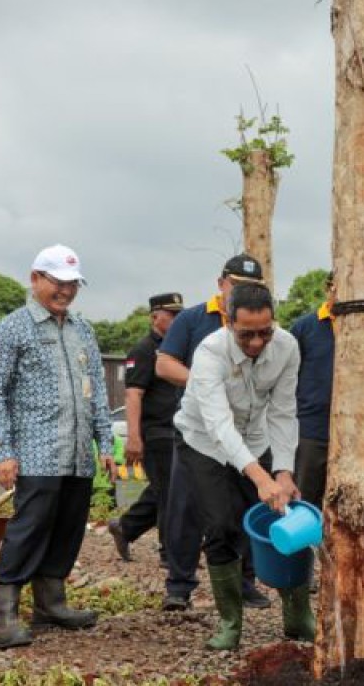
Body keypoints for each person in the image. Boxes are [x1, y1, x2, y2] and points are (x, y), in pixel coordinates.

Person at [0, 244, 115, 649]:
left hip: (78, 453)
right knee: (29, 529)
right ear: (35, 278)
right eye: (58, 282)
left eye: (73, 284)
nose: (66, 291)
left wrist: (105, 443)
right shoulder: (11, 329)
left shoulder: (83, 330)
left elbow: (97, 390)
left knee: (69, 527)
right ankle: (5, 615)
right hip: (36, 452)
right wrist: (3, 450)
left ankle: (51, 603)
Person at [174, 282, 312, 650]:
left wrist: (283, 472)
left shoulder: (286, 347)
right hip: (204, 443)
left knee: (285, 515)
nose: (256, 342)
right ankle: (230, 624)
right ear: (228, 321)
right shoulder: (209, 352)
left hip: (256, 437)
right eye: (246, 334)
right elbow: (218, 425)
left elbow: (283, 411)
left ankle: (298, 616)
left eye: (265, 332)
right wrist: (261, 478)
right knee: (221, 525)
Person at [153, 254, 272, 611]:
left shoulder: (264, 327)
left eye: (252, 287)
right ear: (221, 284)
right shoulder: (192, 319)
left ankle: (243, 582)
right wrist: (208, 384)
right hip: (199, 434)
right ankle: (179, 584)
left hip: (246, 432)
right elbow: (164, 364)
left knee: (244, 507)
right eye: (236, 285)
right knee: (186, 507)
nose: (242, 292)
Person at [107, 292, 184, 565]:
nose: (177, 319)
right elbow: (133, 395)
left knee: (171, 488)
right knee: (169, 493)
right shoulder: (143, 350)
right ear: (155, 317)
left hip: (179, 429)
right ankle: (171, 554)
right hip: (156, 431)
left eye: (179, 314)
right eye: (171, 315)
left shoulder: (177, 349)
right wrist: (134, 437)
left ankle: (126, 527)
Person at [290, 272, 335, 509]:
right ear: (328, 288)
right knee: (305, 498)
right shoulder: (304, 328)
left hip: (354, 433)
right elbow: (287, 379)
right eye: (337, 287)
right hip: (312, 430)